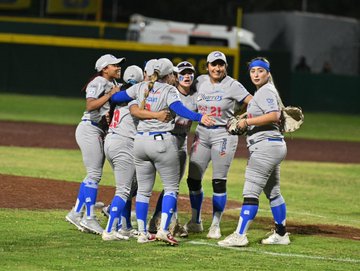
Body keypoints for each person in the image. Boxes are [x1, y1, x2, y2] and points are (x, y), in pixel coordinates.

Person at [111, 58, 214, 245]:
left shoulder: (141, 87)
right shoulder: (169, 89)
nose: (176, 76)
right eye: (174, 74)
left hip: (140, 142)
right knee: (171, 188)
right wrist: (200, 117)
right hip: (161, 142)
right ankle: (164, 230)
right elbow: (179, 109)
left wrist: (116, 91)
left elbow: (117, 98)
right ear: (169, 76)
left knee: (143, 191)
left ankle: (142, 233)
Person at [218, 57, 290, 247]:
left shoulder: (265, 91)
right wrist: (245, 117)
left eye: (260, 71)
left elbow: (274, 115)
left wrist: (246, 122)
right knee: (273, 192)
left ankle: (240, 235)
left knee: (251, 192)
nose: (256, 74)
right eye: (253, 71)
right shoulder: (265, 91)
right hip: (273, 145)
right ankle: (281, 234)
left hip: (265, 147)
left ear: (268, 73)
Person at [184, 51, 252, 239]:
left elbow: (251, 102)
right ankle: (196, 221)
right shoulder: (200, 81)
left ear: (226, 67)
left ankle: (215, 224)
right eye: (214, 64)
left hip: (224, 134)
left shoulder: (232, 85)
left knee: (218, 181)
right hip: (202, 133)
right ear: (207, 66)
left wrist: (241, 116)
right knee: (193, 180)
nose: (217, 68)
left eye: (221, 64)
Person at [102, 65, 171, 241]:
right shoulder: (137, 92)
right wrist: (157, 115)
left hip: (112, 140)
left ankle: (125, 226)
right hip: (124, 142)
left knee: (130, 185)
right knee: (125, 189)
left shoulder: (124, 93)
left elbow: (116, 99)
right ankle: (109, 229)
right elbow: (137, 111)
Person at [65, 54, 124, 235]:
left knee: (93, 174)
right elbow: (90, 106)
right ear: (105, 68)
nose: (119, 67)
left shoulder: (112, 84)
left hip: (97, 130)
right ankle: (88, 218)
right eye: (115, 65)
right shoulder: (98, 82)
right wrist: (110, 95)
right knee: (94, 174)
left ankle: (76, 213)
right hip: (89, 129)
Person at [147, 61, 198, 238]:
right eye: (182, 73)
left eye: (190, 73)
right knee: (143, 182)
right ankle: (119, 213)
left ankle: (162, 222)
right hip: (163, 140)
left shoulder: (195, 96)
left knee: (173, 185)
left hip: (181, 141)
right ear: (175, 76)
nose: (186, 76)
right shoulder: (168, 91)